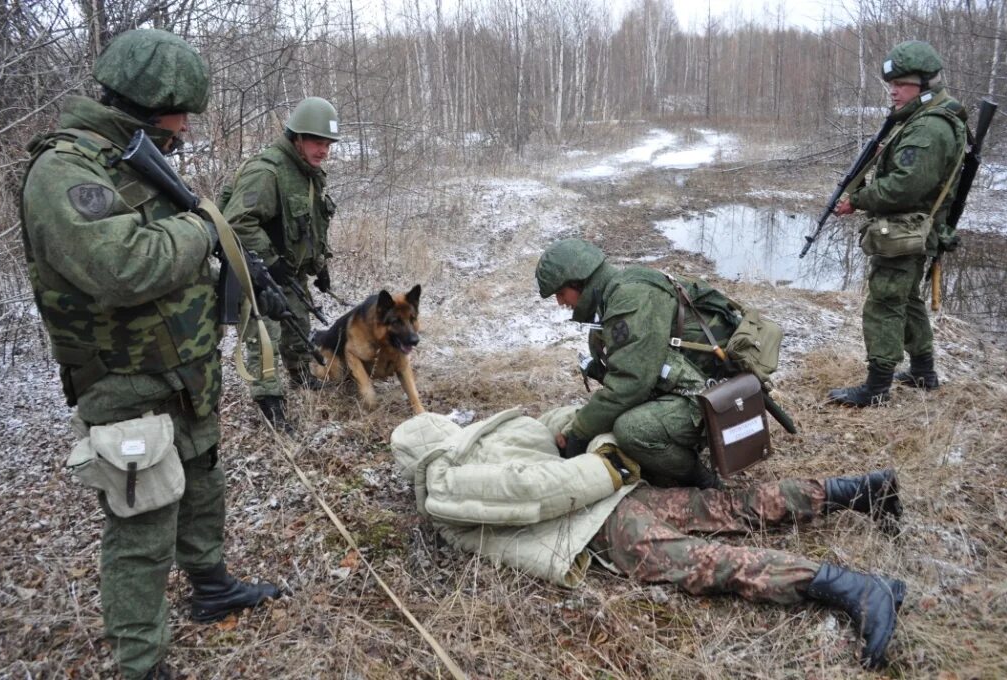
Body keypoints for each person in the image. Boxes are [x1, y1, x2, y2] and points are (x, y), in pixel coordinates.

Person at [20, 29, 280, 680]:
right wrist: (201, 226)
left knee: (201, 488)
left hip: (183, 372)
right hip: (124, 381)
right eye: (179, 113)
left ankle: (211, 586)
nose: (186, 128)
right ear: (144, 104)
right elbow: (123, 266)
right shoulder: (66, 170)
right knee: (141, 525)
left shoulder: (131, 157)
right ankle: (141, 662)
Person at [390, 408, 907, 669]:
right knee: (728, 507)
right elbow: (575, 420)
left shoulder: (444, 483)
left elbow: (531, 490)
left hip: (597, 525)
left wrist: (604, 469)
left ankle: (854, 588)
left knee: (707, 561)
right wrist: (606, 455)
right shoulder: (500, 428)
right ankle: (855, 491)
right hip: (620, 496)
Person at [829, 40, 967, 406]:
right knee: (906, 300)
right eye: (892, 84)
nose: (893, 90)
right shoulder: (922, 120)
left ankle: (876, 388)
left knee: (885, 302)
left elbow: (904, 188)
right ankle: (924, 371)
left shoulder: (930, 127)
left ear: (925, 85)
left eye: (902, 84)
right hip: (914, 229)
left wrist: (858, 200)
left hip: (908, 230)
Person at [535, 237, 720, 489]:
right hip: (687, 384)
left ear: (579, 281)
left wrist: (579, 433)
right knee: (615, 419)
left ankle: (703, 481)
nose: (560, 302)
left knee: (631, 430)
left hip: (712, 396)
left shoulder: (629, 299)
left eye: (560, 293)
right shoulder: (617, 292)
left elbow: (629, 386)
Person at [220, 96, 341, 432]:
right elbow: (236, 222)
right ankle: (270, 402)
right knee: (266, 336)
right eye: (317, 142)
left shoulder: (308, 174)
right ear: (297, 138)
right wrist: (270, 262)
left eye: (328, 144)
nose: (324, 150)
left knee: (299, 326)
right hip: (257, 270)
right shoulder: (267, 171)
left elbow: (314, 224)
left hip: (289, 272)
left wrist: (321, 265)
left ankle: (302, 376)